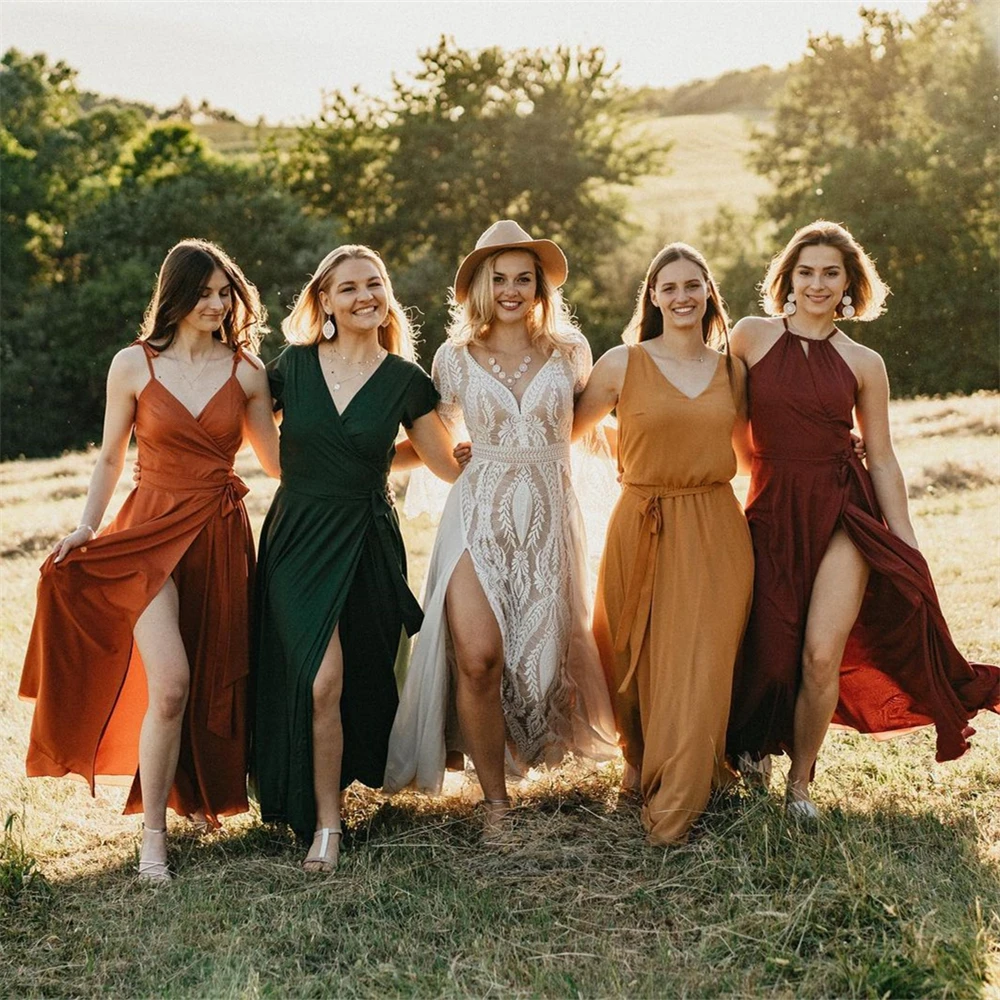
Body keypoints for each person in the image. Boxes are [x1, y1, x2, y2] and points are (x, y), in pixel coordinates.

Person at [19, 239, 279, 880]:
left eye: (226, 293)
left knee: (215, 673)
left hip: (218, 535)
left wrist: (385, 449)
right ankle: (154, 836)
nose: (219, 304)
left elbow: (278, 463)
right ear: (176, 294)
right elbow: (110, 456)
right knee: (172, 681)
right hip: (146, 537)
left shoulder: (247, 372)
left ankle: (194, 795)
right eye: (206, 292)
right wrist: (86, 527)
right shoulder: (132, 365)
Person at [726, 219, 999, 818]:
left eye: (831, 273)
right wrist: (759, 471)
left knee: (821, 654)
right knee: (769, 650)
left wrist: (905, 541)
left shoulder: (864, 362)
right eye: (806, 272)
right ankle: (750, 755)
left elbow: (883, 455)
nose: (818, 284)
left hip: (845, 512)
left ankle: (800, 787)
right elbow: (731, 423)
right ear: (787, 278)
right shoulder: (748, 337)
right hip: (771, 507)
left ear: (850, 283)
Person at [383, 220, 618, 824]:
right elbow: (433, 437)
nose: (512, 290)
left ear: (540, 288)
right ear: (479, 288)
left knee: (539, 664)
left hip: (546, 516)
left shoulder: (569, 354)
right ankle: (494, 803)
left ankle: (525, 754)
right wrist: (387, 457)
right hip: (476, 514)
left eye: (524, 279)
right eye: (499, 279)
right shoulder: (453, 358)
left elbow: (587, 429)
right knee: (479, 657)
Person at [252, 245, 461, 872]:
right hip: (299, 538)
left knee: (363, 671)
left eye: (375, 284)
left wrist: (482, 453)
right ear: (324, 304)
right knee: (320, 679)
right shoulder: (290, 367)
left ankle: (339, 784)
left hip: (369, 542)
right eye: (349, 288)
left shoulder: (405, 380)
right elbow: (270, 454)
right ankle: (326, 825)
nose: (366, 295)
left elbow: (443, 462)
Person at [572, 243, 754, 845]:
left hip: (714, 524)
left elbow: (753, 454)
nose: (682, 296)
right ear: (652, 296)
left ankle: (678, 799)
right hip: (639, 518)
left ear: (709, 294)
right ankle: (636, 762)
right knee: (629, 653)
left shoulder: (733, 370)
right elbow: (571, 430)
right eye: (669, 287)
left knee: (697, 663)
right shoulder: (622, 363)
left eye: (692, 285)